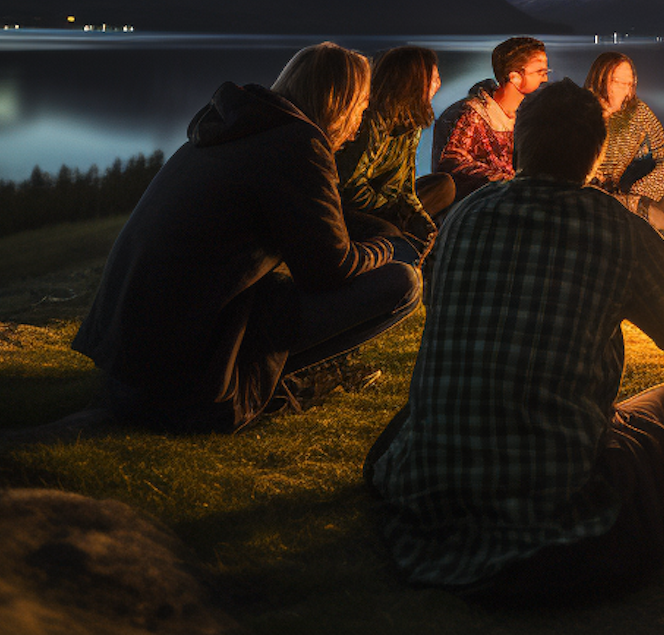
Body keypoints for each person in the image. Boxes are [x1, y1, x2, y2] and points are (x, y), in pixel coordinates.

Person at [368, 79, 664, 602]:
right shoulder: (617, 229)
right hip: (552, 488)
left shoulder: (463, 218)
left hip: (434, 483)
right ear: (594, 157)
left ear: (519, 145)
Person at [72, 43, 421, 433]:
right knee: (403, 281)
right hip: (186, 363)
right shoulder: (298, 144)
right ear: (338, 102)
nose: (359, 124)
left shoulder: (233, 128)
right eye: (360, 107)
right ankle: (264, 387)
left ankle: (259, 377)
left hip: (133, 348)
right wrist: (392, 247)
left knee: (281, 285)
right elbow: (329, 270)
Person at [335, 45, 456, 256]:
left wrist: (418, 217)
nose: (438, 85)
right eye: (433, 79)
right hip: (353, 209)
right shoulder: (372, 122)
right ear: (413, 82)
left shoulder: (410, 124)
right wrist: (390, 210)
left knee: (443, 186)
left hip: (384, 203)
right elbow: (350, 187)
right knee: (390, 232)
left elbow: (405, 182)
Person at [434, 36, 548, 201]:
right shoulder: (471, 114)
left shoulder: (529, 114)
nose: (545, 79)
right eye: (540, 72)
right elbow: (452, 162)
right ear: (515, 77)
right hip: (477, 205)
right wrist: (507, 181)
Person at [584, 52, 664, 231]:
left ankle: (644, 220)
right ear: (600, 79)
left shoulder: (638, 113)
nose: (626, 91)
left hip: (626, 189)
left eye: (630, 84)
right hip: (590, 193)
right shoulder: (580, 112)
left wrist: (640, 193)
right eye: (619, 83)